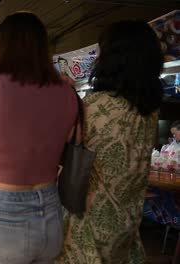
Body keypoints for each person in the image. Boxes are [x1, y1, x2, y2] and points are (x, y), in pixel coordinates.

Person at [0, 12, 78, 263]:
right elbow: (67, 142)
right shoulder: (67, 91)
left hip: (1, 213)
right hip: (51, 211)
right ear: (44, 48)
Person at [57, 20, 163, 264]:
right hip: (126, 230)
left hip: (87, 233)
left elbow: (58, 154)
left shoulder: (92, 107)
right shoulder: (150, 113)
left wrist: (64, 97)